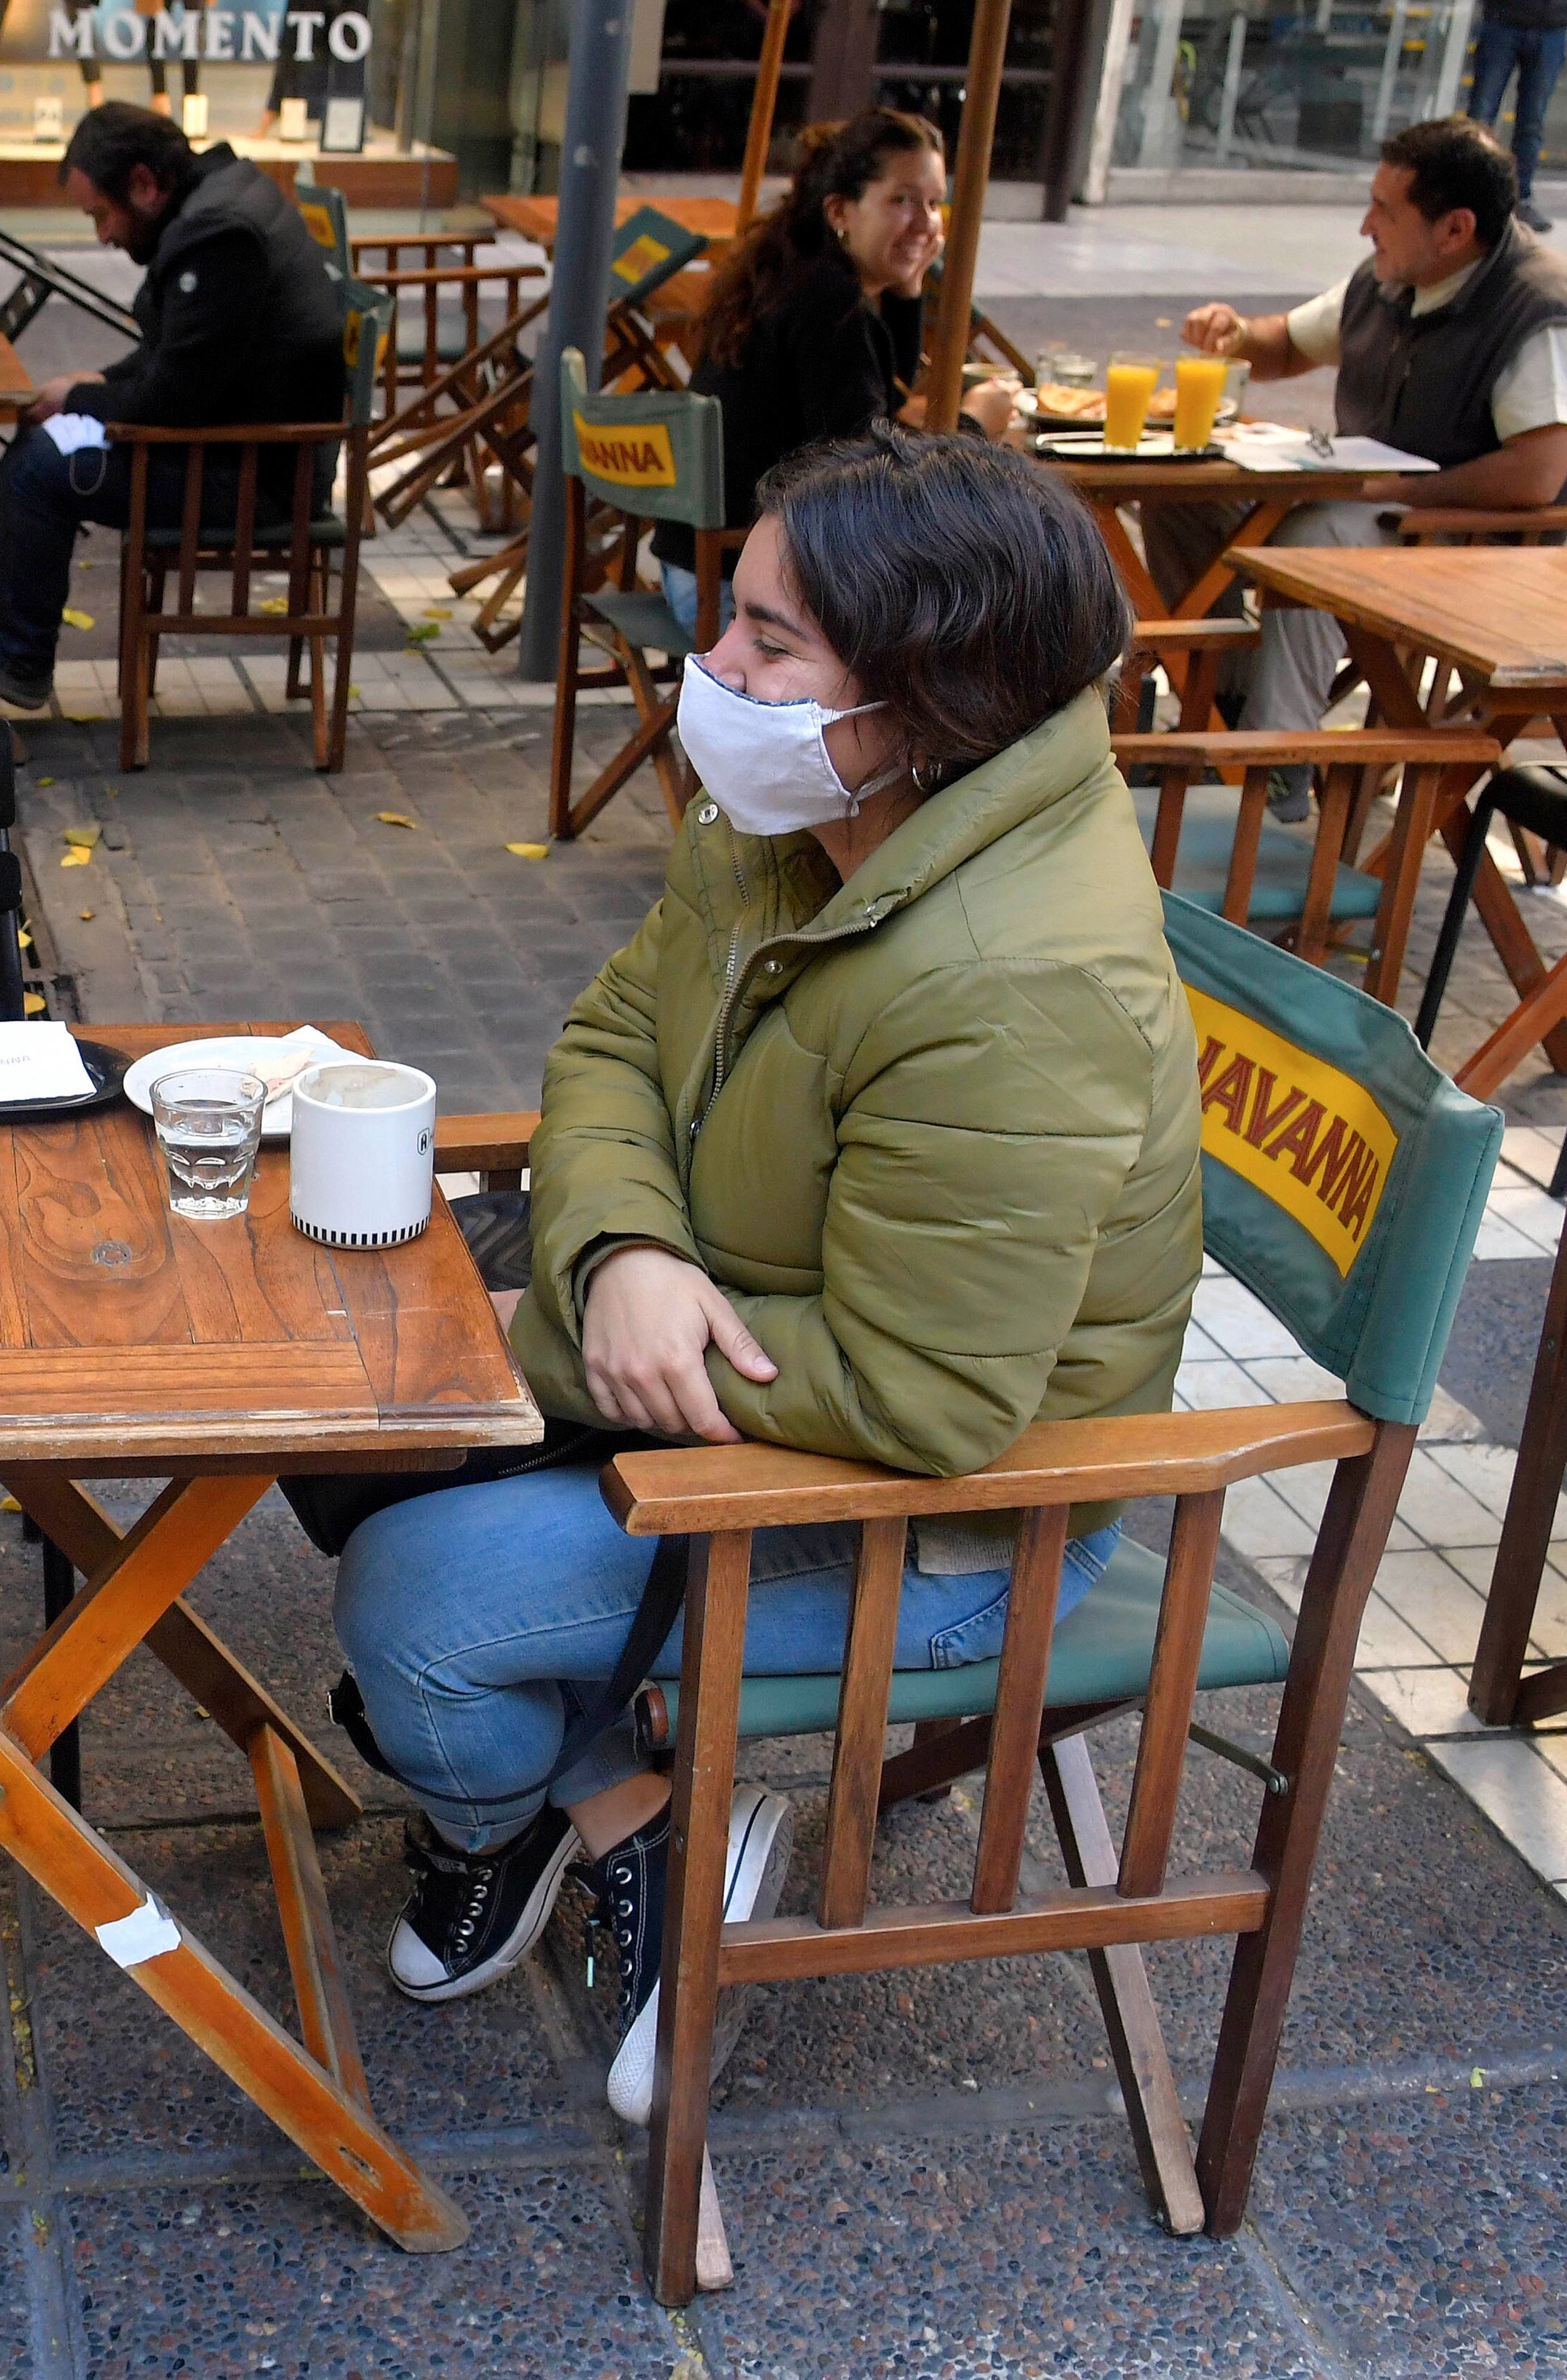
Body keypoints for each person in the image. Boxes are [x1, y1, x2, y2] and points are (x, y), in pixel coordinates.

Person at [326, 431, 1195, 2127]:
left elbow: (931, 1398)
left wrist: (560, 1333)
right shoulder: (812, 806)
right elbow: (608, 1045)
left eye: (770, 641)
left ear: (928, 693)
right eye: (729, 619)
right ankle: (632, 1816)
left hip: (943, 1518)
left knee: (407, 1617)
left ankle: (551, 1808)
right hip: (747, 1339)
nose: (713, 671)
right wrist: (627, 1254)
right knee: (335, 1357)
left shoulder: (1017, 979)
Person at [1161, 117, 1567, 812]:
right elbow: (1283, 349)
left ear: (1453, 230)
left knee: (1317, 539)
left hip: (1472, 547)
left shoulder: (1539, 307)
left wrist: (1391, 490)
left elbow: (1536, 473)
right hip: (1364, 505)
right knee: (1182, 500)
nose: (1365, 226)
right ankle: (1221, 708)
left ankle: (1273, 767)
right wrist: (1235, 332)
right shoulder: (1392, 274)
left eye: (1383, 211)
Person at [0, 102, 347, 711]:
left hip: (249, 477)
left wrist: (79, 398)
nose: (103, 234)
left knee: (40, 464)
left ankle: (20, 661)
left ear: (145, 185)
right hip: (249, 449)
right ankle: (13, 639)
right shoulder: (224, 195)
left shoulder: (218, 237)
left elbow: (172, 398)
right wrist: (96, 381)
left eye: (102, 215)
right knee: (44, 442)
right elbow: (177, 354)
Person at [656, 109, 1019, 634]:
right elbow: (877, 477)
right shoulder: (826, 301)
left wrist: (908, 287)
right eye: (901, 200)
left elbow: (880, 398)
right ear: (840, 212)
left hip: (702, 571)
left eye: (935, 203)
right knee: (967, 616)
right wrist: (975, 426)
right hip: (739, 595)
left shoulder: (796, 277)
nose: (926, 223)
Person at [1465, 0, 1567, 232]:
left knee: (1532, 122)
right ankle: (1467, 193)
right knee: (1480, 118)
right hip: (1503, 21)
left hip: (1552, 26)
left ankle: (1520, 199)